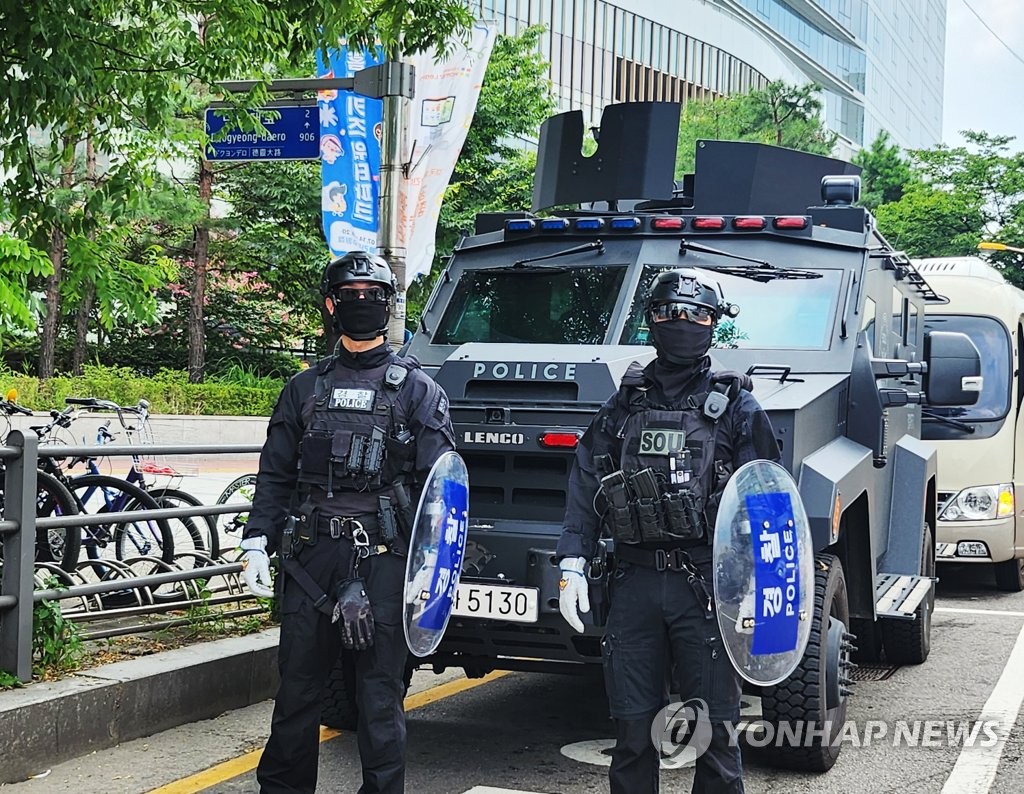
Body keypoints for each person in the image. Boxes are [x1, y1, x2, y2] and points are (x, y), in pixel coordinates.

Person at [556, 268, 780, 794]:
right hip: (632, 583)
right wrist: (571, 561)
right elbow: (587, 479)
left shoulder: (738, 406)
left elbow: (768, 498)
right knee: (632, 734)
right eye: (667, 313)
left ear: (713, 324)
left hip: (705, 588)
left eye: (695, 314)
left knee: (714, 737)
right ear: (650, 322)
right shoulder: (625, 403)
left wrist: (758, 592)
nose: (681, 323)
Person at [239, 251, 456, 794]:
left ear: (387, 306)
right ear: (332, 305)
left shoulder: (418, 391)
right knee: (297, 697)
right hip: (311, 557)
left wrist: (429, 575)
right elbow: (275, 474)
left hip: (384, 561)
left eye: (374, 295)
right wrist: (255, 542)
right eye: (351, 294)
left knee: (380, 700)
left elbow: (442, 492)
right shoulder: (304, 389)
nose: (363, 303)